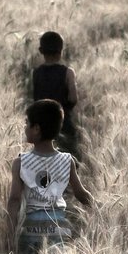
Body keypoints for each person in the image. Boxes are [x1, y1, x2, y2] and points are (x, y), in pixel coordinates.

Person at [6, 99, 94, 254]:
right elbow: (81, 193)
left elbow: (14, 200)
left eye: (27, 124)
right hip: (57, 228)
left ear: (36, 129)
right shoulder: (67, 161)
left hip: (30, 230)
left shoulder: (21, 162)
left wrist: (11, 234)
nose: (24, 128)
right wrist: (98, 208)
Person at [32, 31, 81, 159]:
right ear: (61, 50)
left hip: (42, 126)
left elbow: (36, 99)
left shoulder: (36, 73)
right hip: (63, 124)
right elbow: (73, 98)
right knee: (70, 158)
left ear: (41, 50)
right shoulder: (68, 72)